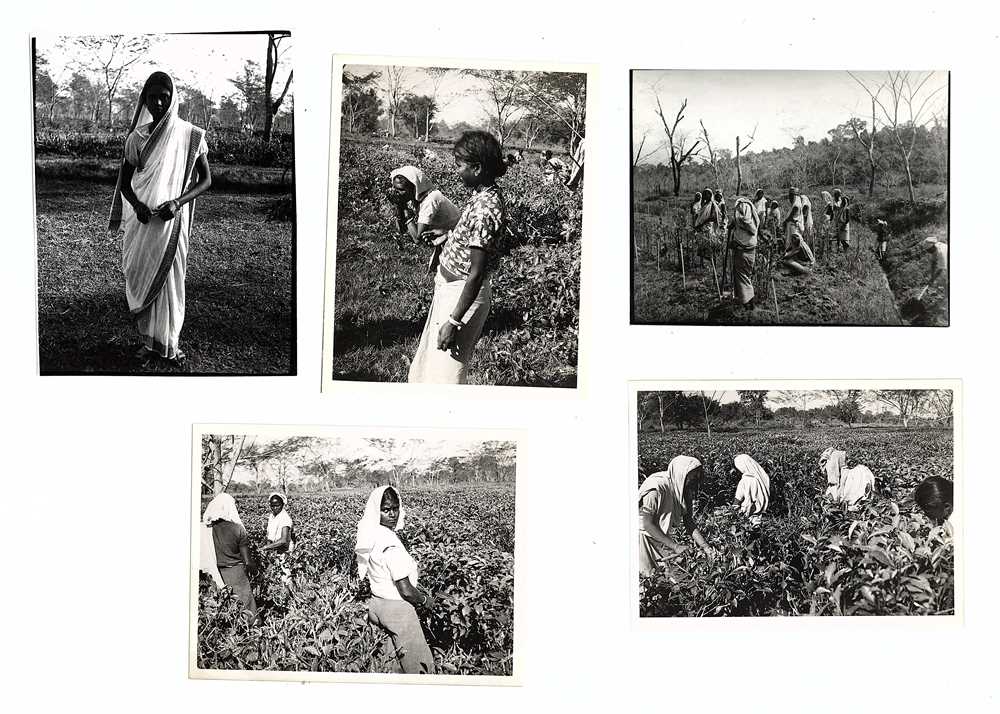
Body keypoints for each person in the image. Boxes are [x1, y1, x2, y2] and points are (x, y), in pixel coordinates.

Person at [109, 71, 211, 367]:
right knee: (141, 274)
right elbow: (125, 184)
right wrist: (138, 206)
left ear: (172, 98)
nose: (157, 103)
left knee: (171, 281)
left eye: (162, 98)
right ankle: (149, 342)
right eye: (151, 97)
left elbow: (206, 180)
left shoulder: (190, 135)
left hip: (171, 224)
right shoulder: (136, 138)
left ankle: (169, 343)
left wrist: (178, 202)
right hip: (142, 224)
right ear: (144, 99)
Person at [408, 131, 507, 384]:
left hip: (462, 297)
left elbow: (476, 273)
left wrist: (454, 321)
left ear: (477, 167)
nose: (457, 171)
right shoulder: (483, 196)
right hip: (451, 288)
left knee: (447, 376)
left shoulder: (486, 208)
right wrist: (448, 235)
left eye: (460, 165)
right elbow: (474, 238)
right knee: (432, 366)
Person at [355, 486, 436, 674]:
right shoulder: (390, 543)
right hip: (398, 611)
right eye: (386, 510)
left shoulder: (372, 534)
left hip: (377, 606)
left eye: (395, 508)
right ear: (377, 511)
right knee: (420, 669)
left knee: (392, 667)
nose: (392, 514)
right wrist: (425, 600)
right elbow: (405, 589)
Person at [638, 456, 714, 576]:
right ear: (681, 474)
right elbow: (647, 523)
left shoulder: (683, 489)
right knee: (648, 577)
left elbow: (689, 521)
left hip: (661, 537)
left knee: (668, 576)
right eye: (693, 477)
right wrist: (675, 546)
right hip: (643, 539)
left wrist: (706, 547)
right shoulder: (656, 488)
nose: (695, 482)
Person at [389, 165, 461, 274]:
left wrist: (405, 212)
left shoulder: (430, 200)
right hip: (445, 238)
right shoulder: (418, 197)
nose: (397, 192)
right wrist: (399, 207)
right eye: (395, 188)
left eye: (401, 190)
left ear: (414, 187)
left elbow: (417, 239)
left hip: (458, 240)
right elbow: (402, 230)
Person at [202, 493, 258, 626]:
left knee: (223, 609)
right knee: (247, 609)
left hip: (213, 574)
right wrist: (255, 573)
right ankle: (252, 637)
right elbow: (248, 561)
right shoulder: (237, 529)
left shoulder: (205, 529)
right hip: (236, 574)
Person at [728, 193, 761, 308]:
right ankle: (746, 300)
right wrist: (734, 224)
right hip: (751, 248)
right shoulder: (751, 211)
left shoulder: (742, 208)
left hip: (743, 249)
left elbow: (745, 221)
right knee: (746, 274)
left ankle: (747, 302)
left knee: (742, 275)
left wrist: (735, 242)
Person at [259, 491, 295, 590]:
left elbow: (283, 540)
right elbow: (270, 535)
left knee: (286, 575)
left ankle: (291, 595)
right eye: (272, 505)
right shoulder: (272, 516)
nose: (275, 508)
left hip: (284, 550)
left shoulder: (285, 518)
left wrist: (266, 548)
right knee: (275, 574)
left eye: (277, 505)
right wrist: (268, 549)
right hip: (274, 549)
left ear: (282, 505)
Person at [780, 188, 815, 274]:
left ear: (794, 196)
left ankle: (803, 270)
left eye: (791, 196)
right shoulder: (797, 202)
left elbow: (796, 249)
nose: (790, 198)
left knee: (786, 260)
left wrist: (785, 255)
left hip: (808, 263)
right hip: (805, 259)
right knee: (787, 257)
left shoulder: (796, 205)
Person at [732, 454, 770, 518]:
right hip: (759, 515)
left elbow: (737, 500)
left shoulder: (745, 481)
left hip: (746, 515)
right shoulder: (759, 480)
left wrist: (732, 511)